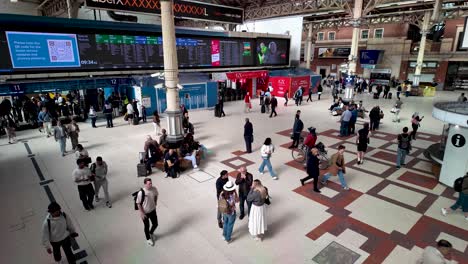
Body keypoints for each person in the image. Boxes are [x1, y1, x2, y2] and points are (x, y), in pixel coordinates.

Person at [136, 178, 159, 246]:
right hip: (145, 213)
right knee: (147, 226)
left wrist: (155, 202)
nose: (151, 185)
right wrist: (142, 213)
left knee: (155, 224)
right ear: (145, 184)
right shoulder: (141, 193)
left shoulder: (154, 189)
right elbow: (138, 203)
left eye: (151, 183)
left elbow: (156, 195)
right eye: (149, 184)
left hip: (153, 210)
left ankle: (151, 233)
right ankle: (148, 239)